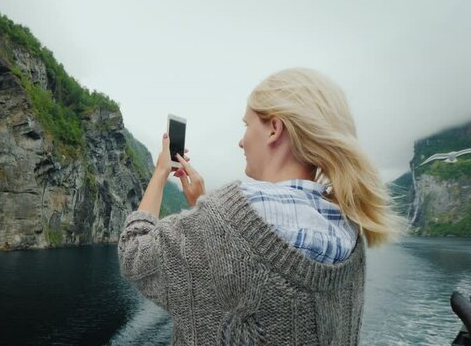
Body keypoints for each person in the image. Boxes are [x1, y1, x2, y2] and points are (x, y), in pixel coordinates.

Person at [118, 68, 407, 345]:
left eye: (246, 125)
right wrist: (203, 208)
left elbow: (134, 254)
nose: (241, 141)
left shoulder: (223, 219)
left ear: (274, 129)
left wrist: (159, 175)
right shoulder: (349, 227)